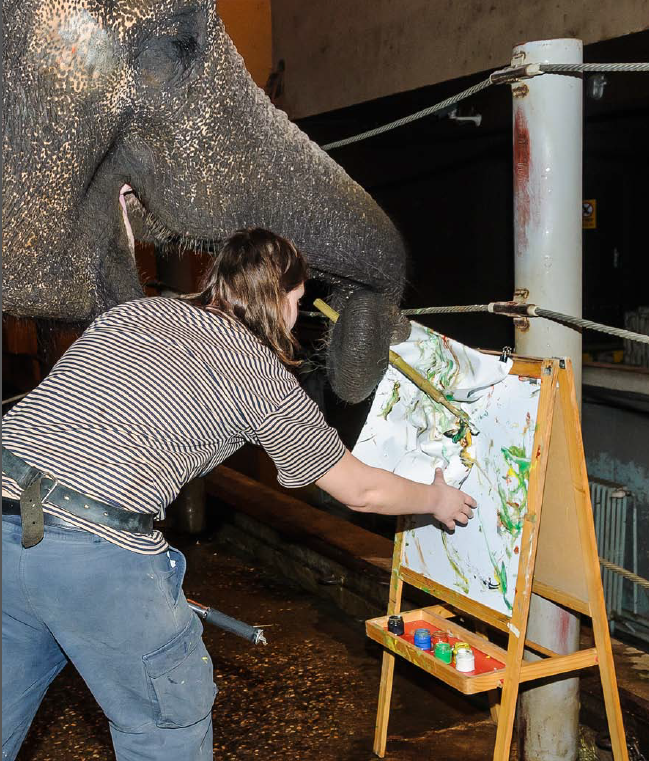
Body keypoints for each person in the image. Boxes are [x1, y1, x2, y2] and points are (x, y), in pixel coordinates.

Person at [2, 228, 476, 761]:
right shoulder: (261, 375)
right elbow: (360, 488)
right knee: (167, 730)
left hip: (6, 522)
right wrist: (435, 500)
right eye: (297, 301)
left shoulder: (133, 313)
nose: (297, 316)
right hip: (96, 554)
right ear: (276, 296)